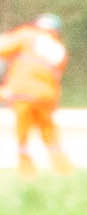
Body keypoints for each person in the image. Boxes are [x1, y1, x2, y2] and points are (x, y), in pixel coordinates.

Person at [3, 14, 64, 174]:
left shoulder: (27, 35)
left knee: (22, 133)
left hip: (22, 92)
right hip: (46, 96)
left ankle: (26, 170)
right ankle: (62, 168)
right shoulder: (59, 49)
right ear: (56, 31)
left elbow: (3, 48)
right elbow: (56, 77)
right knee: (49, 132)